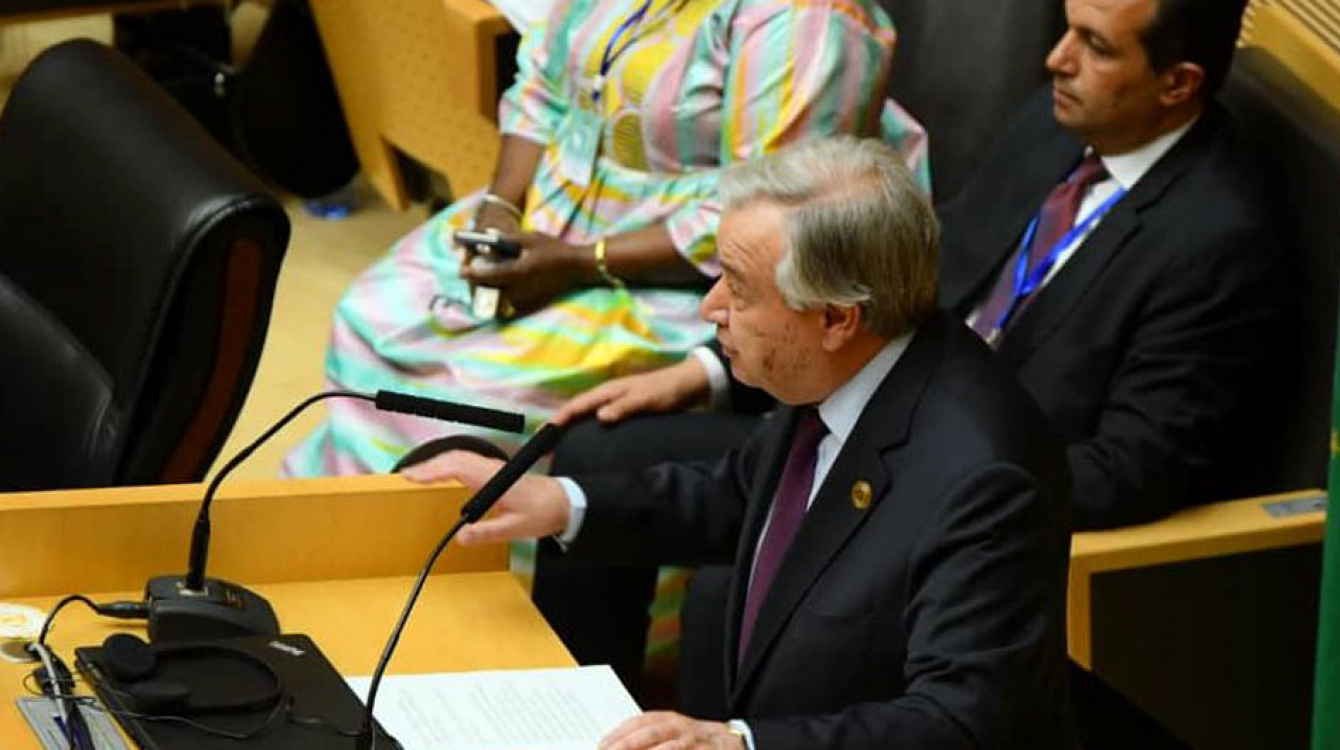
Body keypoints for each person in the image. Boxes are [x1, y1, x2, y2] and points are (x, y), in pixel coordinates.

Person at [536, 0, 1276, 710]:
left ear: (1177, 83)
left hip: (963, 479)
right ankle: (569, 713)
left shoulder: (1216, 238)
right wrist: (706, 372)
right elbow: (926, 266)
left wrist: (942, 490)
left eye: (1096, 45)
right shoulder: (1061, 127)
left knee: (726, 591)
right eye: (1064, 28)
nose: (1058, 59)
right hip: (874, 393)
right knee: (601, 449)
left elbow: (1137, 465)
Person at [404, 138, 1076, 749]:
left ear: (836, 318)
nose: (710, 307)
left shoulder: (984, 480)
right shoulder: (840, 367)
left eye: (739, 287)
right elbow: (742, 493)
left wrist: (742, 744)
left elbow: (960, 721)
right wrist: (560, 502)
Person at [283, 0, 926, 479]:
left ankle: (484, 589)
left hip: (691, 269)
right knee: (367, 317)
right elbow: (541, 85)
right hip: (549, 221)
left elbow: (776, 214)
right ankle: (360, 539)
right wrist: (501, 207)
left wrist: (574, 263)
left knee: (464, 398)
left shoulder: (810, 20)